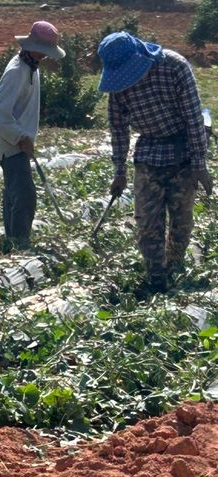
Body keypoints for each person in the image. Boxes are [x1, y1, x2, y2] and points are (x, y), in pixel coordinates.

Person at [98, 31, 212, 293]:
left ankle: (174, 266)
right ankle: (156, 278)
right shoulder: (118, 86)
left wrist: (199, 165)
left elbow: (194, 119)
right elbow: (118, 129)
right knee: (148, 223)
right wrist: (119, 171)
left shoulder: (174, 66)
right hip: (149, 152)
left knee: (181, 223)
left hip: (182, 151)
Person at [0, 21, 65, 250]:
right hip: (10, 142)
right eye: (43, 51)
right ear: (31, 46)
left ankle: (11, 242)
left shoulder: (31, 65)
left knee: (15, 191)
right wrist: (21, 137)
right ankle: (19, 244)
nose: (46, 56)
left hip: (19, 140)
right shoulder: (16, 71)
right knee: (24, 195)